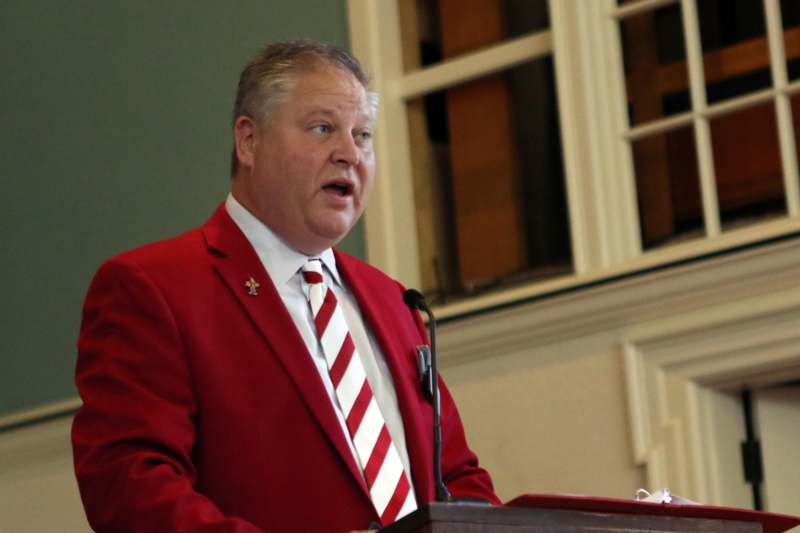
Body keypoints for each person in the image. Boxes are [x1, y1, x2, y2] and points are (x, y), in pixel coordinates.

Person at [72, 40, 498, 533]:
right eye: (322, 128)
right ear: (248, 141)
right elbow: (130, 488)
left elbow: (457, 476)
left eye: (363, 135)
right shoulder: (152, 287)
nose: (349, 154)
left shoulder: (392, 300)